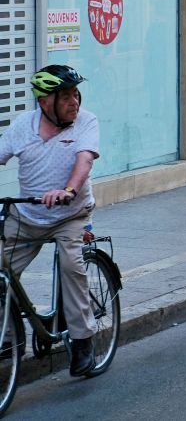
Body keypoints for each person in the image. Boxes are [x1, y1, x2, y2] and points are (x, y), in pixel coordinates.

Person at [0, 65, 99, 376]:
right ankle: (8, 338)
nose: (74, 102)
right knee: (1, 271)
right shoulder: (23, 126)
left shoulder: (86, 122)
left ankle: (83, 342)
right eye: (65, 97)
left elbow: (84, 160)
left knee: (71, 266)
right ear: (44, 101)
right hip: (27, 216)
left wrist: (68, 190)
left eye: (76, 95)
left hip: (70, 214)